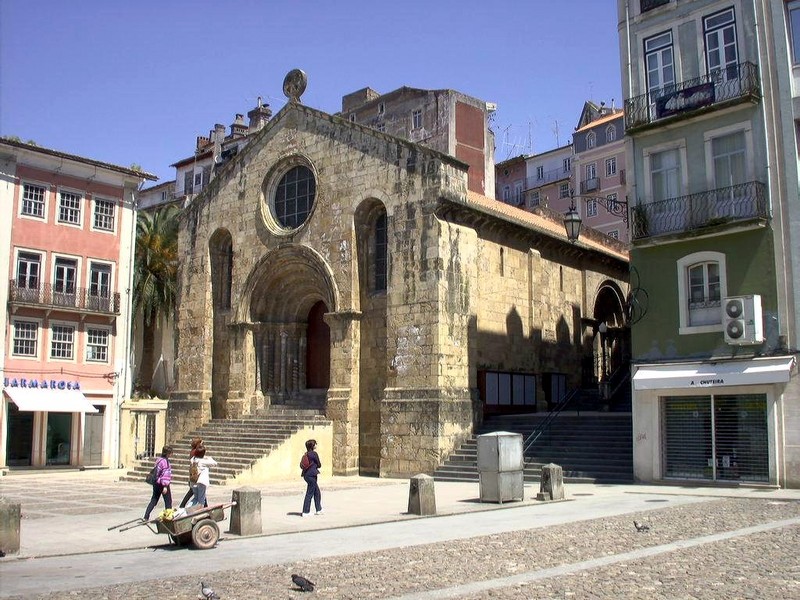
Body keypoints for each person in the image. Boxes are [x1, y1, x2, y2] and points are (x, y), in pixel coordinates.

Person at [143, 445, 173, 521]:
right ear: (168, 453)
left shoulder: (158, 460)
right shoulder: (165, 462)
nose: (171, 454)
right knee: (168, 501)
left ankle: (146, 516)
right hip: (162, 484)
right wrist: (165, 486)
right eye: (171, 453)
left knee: (154, 500)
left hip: (156, 483)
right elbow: (165, 475)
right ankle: (168, 517)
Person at [187, 444, 218, 509]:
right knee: (201, 501)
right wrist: (208, 457)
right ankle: (198, 513)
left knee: (195, 498)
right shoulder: (202, 461)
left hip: (193, 482)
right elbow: (214, 463)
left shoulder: (193, 460)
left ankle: (188, 508)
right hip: (201, 482)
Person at [179, 437, 204, 508]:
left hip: (193, 474)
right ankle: (182, 505)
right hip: (196, 474)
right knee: (195, 492)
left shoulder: (193, 450)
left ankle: (182, 505)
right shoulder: (196, 452)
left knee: (198, 492)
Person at [301, 439, 323, 517]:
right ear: (313, 446)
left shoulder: (306, 454)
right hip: (312, 475)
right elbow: (319, 464)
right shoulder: (314, 454)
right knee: (309, 493)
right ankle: (305, 511)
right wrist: (315, 466)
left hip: (306, 475)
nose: (316, 445)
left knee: (316, 492)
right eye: (315, 444)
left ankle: (318, 509)